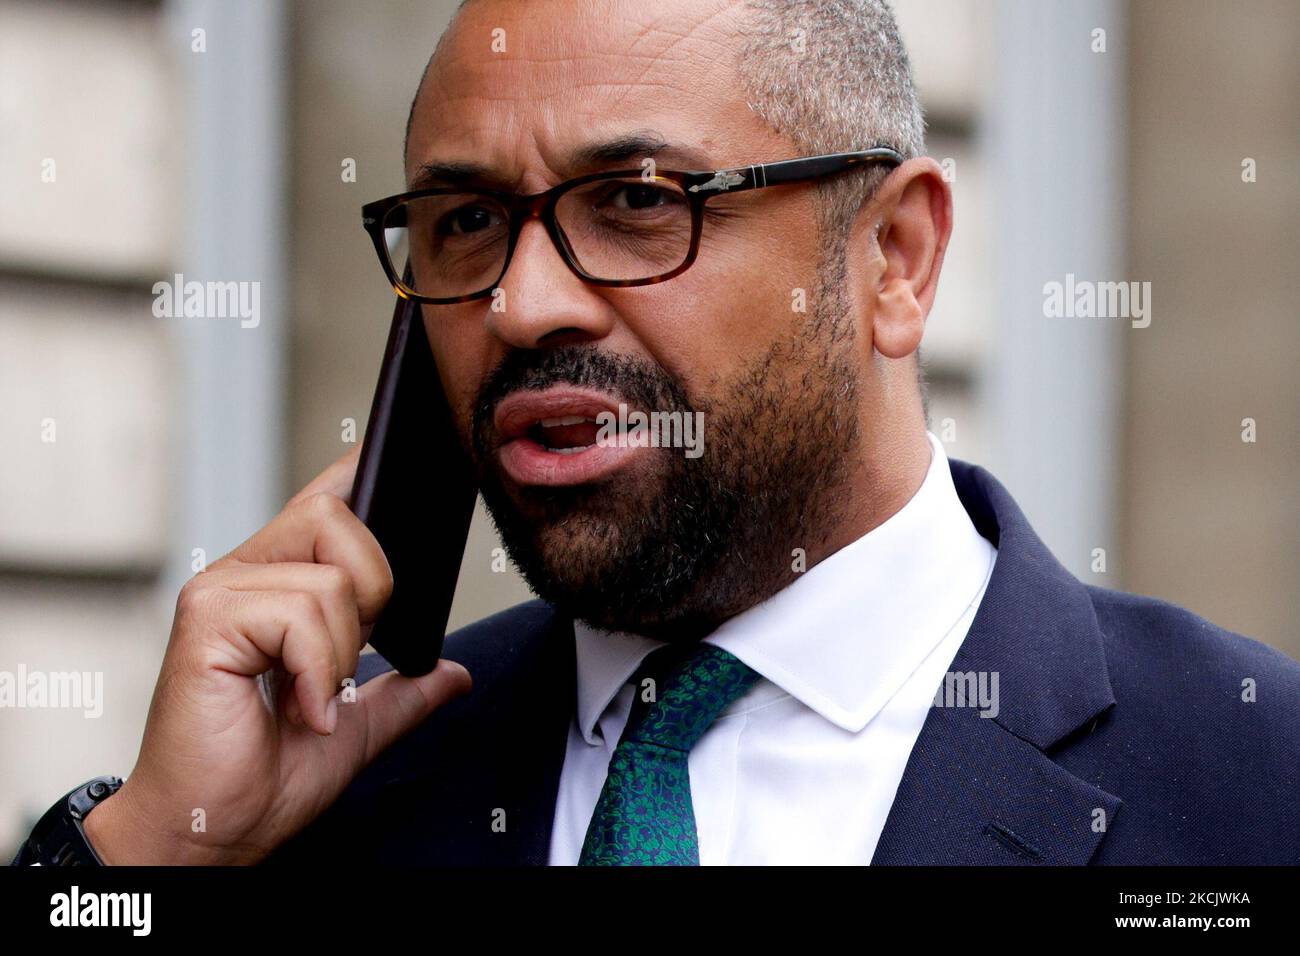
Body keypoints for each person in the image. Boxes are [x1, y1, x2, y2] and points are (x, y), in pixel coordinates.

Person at [15, 0, 1299, 867]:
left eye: (635, 201)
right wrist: (145, 851)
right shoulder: (325, 791)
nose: (521, 304)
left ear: (894, 259)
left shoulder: (1251, 773)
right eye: (464, 222)